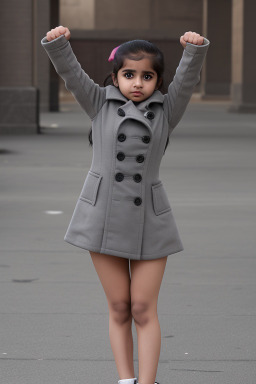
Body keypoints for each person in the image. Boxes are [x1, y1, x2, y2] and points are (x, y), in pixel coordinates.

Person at [41, 26, 210, 384]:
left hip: (150, 217)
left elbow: (186, 79)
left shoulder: (167, 110)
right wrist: (58, 42)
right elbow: (70, 73)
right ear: (115, 76)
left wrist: (193, 50)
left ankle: (147, 382)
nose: (137, 83)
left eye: (147, 76)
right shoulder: (99, 102)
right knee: (119, 306)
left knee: (143, 307)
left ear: (158, 81)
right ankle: (125, 380)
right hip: (101, 213)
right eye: (129, 74)